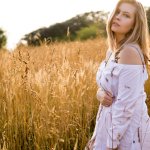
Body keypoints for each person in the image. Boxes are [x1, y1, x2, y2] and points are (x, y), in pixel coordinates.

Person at [85, 0, 150, 150]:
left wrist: (111, 144)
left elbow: (125, 107)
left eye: (126, 15)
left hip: (127, 134)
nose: (118, 17)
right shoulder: (112, 51)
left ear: (135, 24)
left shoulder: (130, 52)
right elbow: (107, 86)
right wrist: (99, 93)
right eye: (117, 12)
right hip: (108, 125)